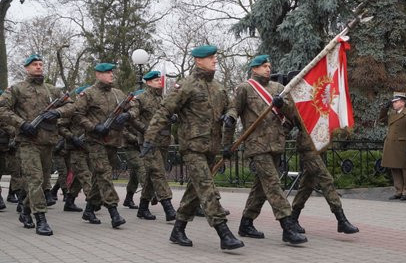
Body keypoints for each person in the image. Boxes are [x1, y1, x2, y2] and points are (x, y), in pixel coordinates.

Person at [142, 45, 243, 250]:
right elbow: (164, 111)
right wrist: (149, 139)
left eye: (215, 57)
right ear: (199, 61)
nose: (215, 60)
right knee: (207, 188)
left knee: (194, 190)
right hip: (193, 147)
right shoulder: (186, 85)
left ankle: (178, 230)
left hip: (211, 147)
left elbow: (231, 105)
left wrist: (231, 116)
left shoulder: (218, 87)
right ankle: (224, 233)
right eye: (211, 58)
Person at [230, 55, 307, 244]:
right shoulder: (245, 88)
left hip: (276, 144)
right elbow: (233, 111)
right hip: (257, 146)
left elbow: (293, 114)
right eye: (264, 66)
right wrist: (227, 141)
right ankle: (287, 227)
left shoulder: (278, 89)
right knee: (273, 184)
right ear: (254, 69)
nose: (267, 69)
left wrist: (283, 105)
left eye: (269, 66)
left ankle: (246, 223)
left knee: (261, 188)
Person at [0, 54, 74, 235]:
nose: (39, 67)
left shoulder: (52, 90)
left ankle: (25, 210)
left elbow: (71, 106)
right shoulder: (17, 89)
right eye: (34, 65)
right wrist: (21, 124)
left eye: (40, 64)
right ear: (26, 68)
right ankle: (40, 218)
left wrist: (57, 113)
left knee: (42, 181)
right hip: (27, 142)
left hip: (47, 142)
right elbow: (1, 110)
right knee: (35, 179)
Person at [73, 63, 130, 229]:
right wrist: (93, 127)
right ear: (98, 74)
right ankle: (114, 212)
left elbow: (134, 109)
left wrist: (126, 115)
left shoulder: (118, 94)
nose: (111, 75)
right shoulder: (88, 94)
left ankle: (89, 209)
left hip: (113, 141)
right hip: (95, 141)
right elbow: (77, 114)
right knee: (104, 174)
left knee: (99, 177)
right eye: (107, 72)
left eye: (112, 72)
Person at [287, 112, 359, 234]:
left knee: (307, 184)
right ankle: (341, 220)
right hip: (308, 146)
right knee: (326, 179)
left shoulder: (322, 99)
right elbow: (291, 117)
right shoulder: (304, 99)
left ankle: (293, 218)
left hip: (320, 143)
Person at [127, 70, 177, 221]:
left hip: (163, 142)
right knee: (158, 172)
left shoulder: (163, 98)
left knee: (150, 176)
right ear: (148, 82)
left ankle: (142, 209)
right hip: (149, 143)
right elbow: (133, 118)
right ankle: (169, 208)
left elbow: (165, 116)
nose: (159, 82)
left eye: (159, 80)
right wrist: (145, 130)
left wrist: (172, 117)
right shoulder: (141, 98)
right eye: (155, 80)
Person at [58, 85, 90, 213]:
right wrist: (72, 137)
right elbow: (60, 127)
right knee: (86, 175)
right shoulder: (72, 109)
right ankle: (92, 203)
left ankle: (70, 201)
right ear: (78, 96)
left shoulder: (92, 110)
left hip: (89, 147)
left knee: (78, 176)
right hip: (75, 148)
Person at [379, 92, 406, 200]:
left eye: (396, 102)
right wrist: (384, 109)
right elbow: (382, 120)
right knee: (394, 168)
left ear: (403, 102)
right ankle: (398, 190)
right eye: (393, 102)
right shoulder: (392, 114)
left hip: (402, 145)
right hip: (391, 145)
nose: (394, 104)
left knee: (405, 170)